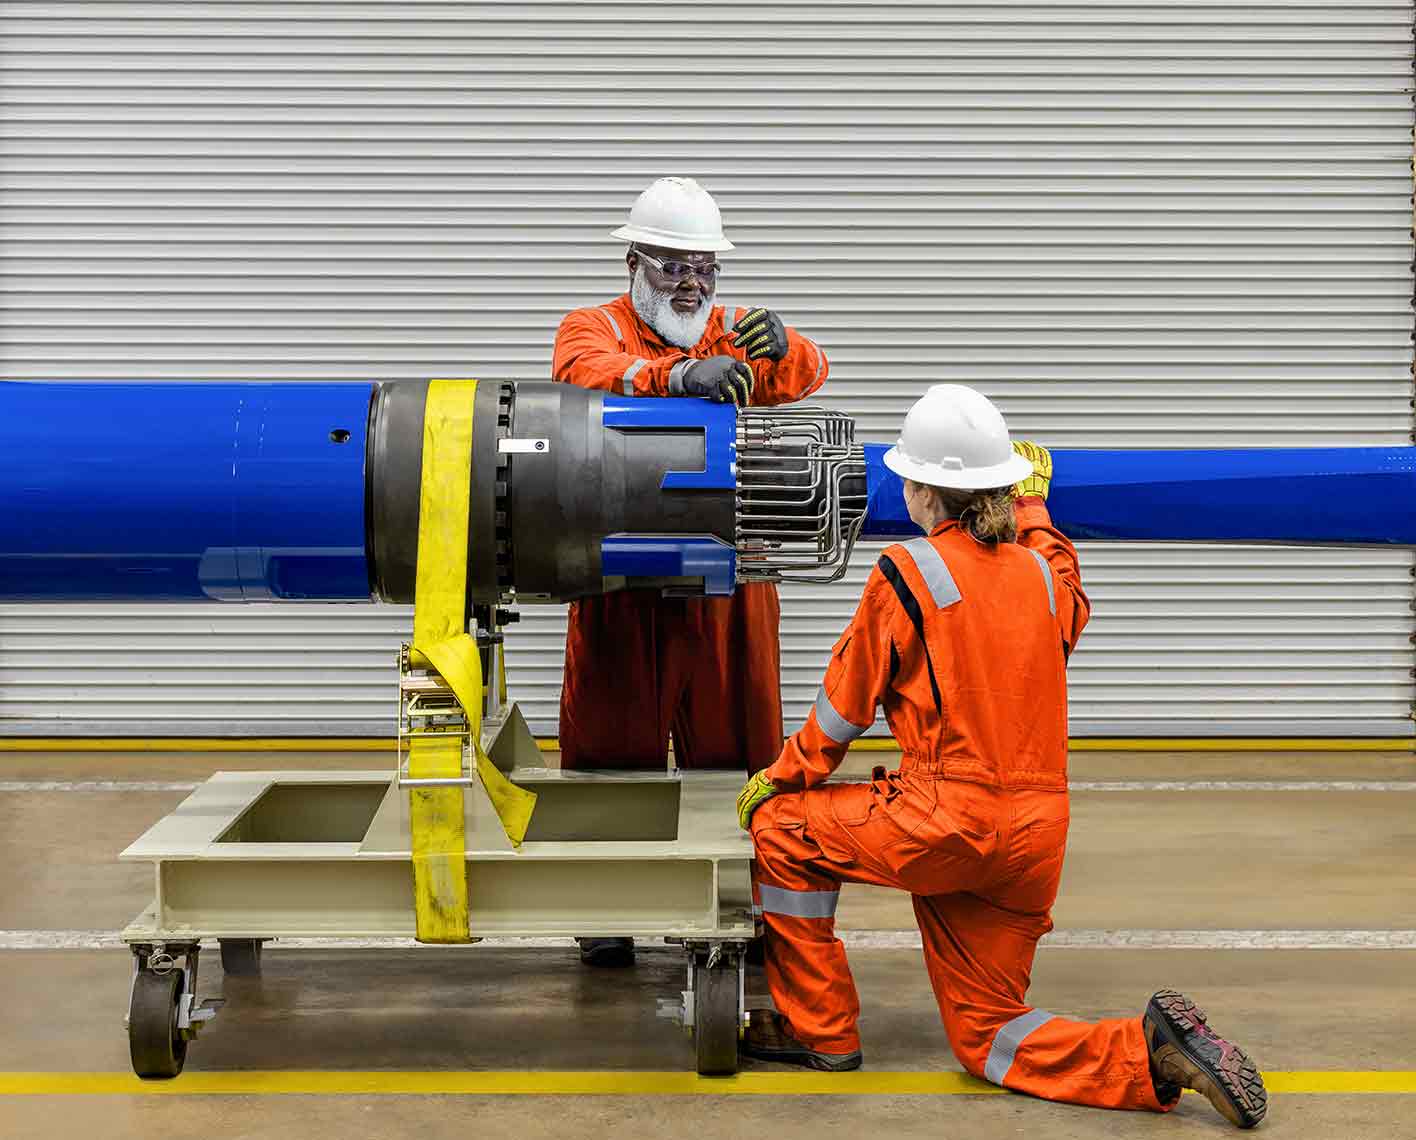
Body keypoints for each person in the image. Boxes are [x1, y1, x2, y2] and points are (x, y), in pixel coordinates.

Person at [734, 384, 1268, 1129]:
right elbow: (1070, 593)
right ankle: (1147, 1054)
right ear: (1003, 487)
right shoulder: (1043, 576)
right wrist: (1038, 511)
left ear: (920, 491)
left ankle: (819, 1032)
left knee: (784, 831)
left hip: (944, 820)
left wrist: (778, 779)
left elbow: (842, 711)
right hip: (1036, 841)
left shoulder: (905, 571)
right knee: (986, 1034)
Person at [553, 176, 830, 967]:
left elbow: (806, 375)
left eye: (704, 268)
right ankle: (606, 913)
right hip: (621, 579)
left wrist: (789, 344)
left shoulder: (730, 331)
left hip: (730, 579)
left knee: (736, 745)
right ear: (634, 264)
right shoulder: (592, 326)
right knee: (611, 748)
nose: (692, 285)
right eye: (674, 267)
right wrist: (673, 380)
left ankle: (732, 908)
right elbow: (581, 376)